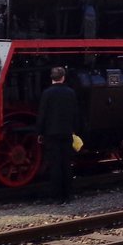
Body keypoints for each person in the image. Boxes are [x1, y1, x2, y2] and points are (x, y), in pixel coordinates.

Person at [35, 66, 80, 204]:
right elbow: (75, 113)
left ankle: (57, 197)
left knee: (55, 165)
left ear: (52, 78)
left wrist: (40, 132)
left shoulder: (47, 93)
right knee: (66, 164)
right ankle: (68, 195)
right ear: (63, 77)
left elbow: (42, 114)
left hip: (51, 133)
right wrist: (75, 130)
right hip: (66, 132)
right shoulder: (70, 92)